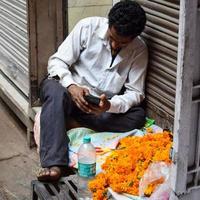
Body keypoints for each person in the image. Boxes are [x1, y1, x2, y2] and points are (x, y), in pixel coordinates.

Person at [37, 0, 148, 181]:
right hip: (69, 94)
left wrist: (109, 105)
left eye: (122, 44)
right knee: (53, 90)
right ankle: (55, 164)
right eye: (112, 38)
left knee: (137, 116)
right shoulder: (87, 27)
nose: (114, 45)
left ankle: (72, 123)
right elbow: (57, 62)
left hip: (97, 108)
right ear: (109, 24)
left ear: (134, 37)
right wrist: (72, 86)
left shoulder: (139, 49)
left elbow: (136, 92)